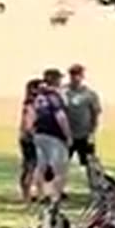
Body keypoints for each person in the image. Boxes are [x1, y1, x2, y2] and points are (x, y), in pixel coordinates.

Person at [32, 68, 73, 204]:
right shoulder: (54, 97)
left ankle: (40, 193)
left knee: (41, 166)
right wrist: (68, 135)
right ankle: (56, 195)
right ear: (55, 80)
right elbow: (60, 116)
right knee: (60, 167)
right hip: (54, 135)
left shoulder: (39, 96)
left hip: (39, 134)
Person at [63, 63, 102, 175]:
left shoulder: (89, 94)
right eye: (73, 74)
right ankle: (58, 189)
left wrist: (92, 132)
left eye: (78, 74)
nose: (76, 77)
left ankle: (95, 187)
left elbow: (95, 113)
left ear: (82, 76)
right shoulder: (63, 92)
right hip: (67, 135)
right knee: (62, 163)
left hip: (84, 134)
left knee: (90, 164)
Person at [18, 78, 42, 202]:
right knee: (31, 166)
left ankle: (27, 192)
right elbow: (28, 124)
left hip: (26, 138)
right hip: (30, 139)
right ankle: (26, 193)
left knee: (29, 166)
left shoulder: (30, 103)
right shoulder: (31, 105)